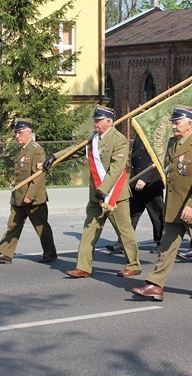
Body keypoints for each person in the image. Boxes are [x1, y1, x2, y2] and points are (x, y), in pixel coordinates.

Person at [43, 105, 142, 278]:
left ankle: (133, 264)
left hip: (114, 196)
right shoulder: (93, 139)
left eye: (98, 120)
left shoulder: (119, 140)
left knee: (124, 231)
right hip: (96, 195)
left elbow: (117, 169)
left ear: (109, 122)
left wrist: (103, 190)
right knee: (89, 230)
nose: (95, 123)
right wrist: (55, 157)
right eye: (95, 120)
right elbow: (75, 150)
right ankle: (83, 267)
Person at [132, 105, 192, 301]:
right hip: (174, 205)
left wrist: (191, 205)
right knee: (166, 247)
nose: (174, 126)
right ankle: (155, 285)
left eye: (177, 123)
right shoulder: (172, 143)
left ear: (189, 124)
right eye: (173, 123)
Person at [0, 119, 58, 264]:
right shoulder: (20, 149)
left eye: (20, 133)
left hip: (33, 198)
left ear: (28, 133)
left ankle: (50, 253)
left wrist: (29, 195)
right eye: (15, 133)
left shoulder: (36, 149)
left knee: (41, 226)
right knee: (13, 224)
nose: (17, 136)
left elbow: (39, 175)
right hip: (18, 197)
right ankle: (5, 253)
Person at [106, 135, 164, 255]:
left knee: (157, 215)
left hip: (150, 183)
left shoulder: (156, 135)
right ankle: (123, 243)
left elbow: (158, 159)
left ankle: (162, 243)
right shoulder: (139, 133)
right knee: (131, 214)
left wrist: (144, 178)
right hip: (136, 181)